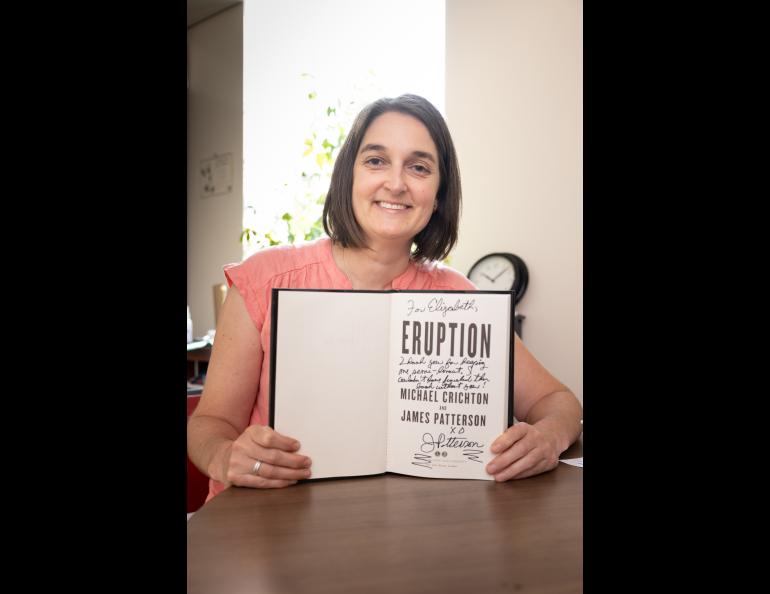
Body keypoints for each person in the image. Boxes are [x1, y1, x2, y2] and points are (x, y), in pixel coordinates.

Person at [187, 94, 583, 501]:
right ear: (349, 176)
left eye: (419, 166)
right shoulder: (263, 279)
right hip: (270, 525)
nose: (396, 183)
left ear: (440, 193)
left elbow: (559, 402)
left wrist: (547, 438)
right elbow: (210, 423)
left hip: (417, 527)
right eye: (376, 160)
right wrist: (225, 456)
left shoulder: (461, 298)